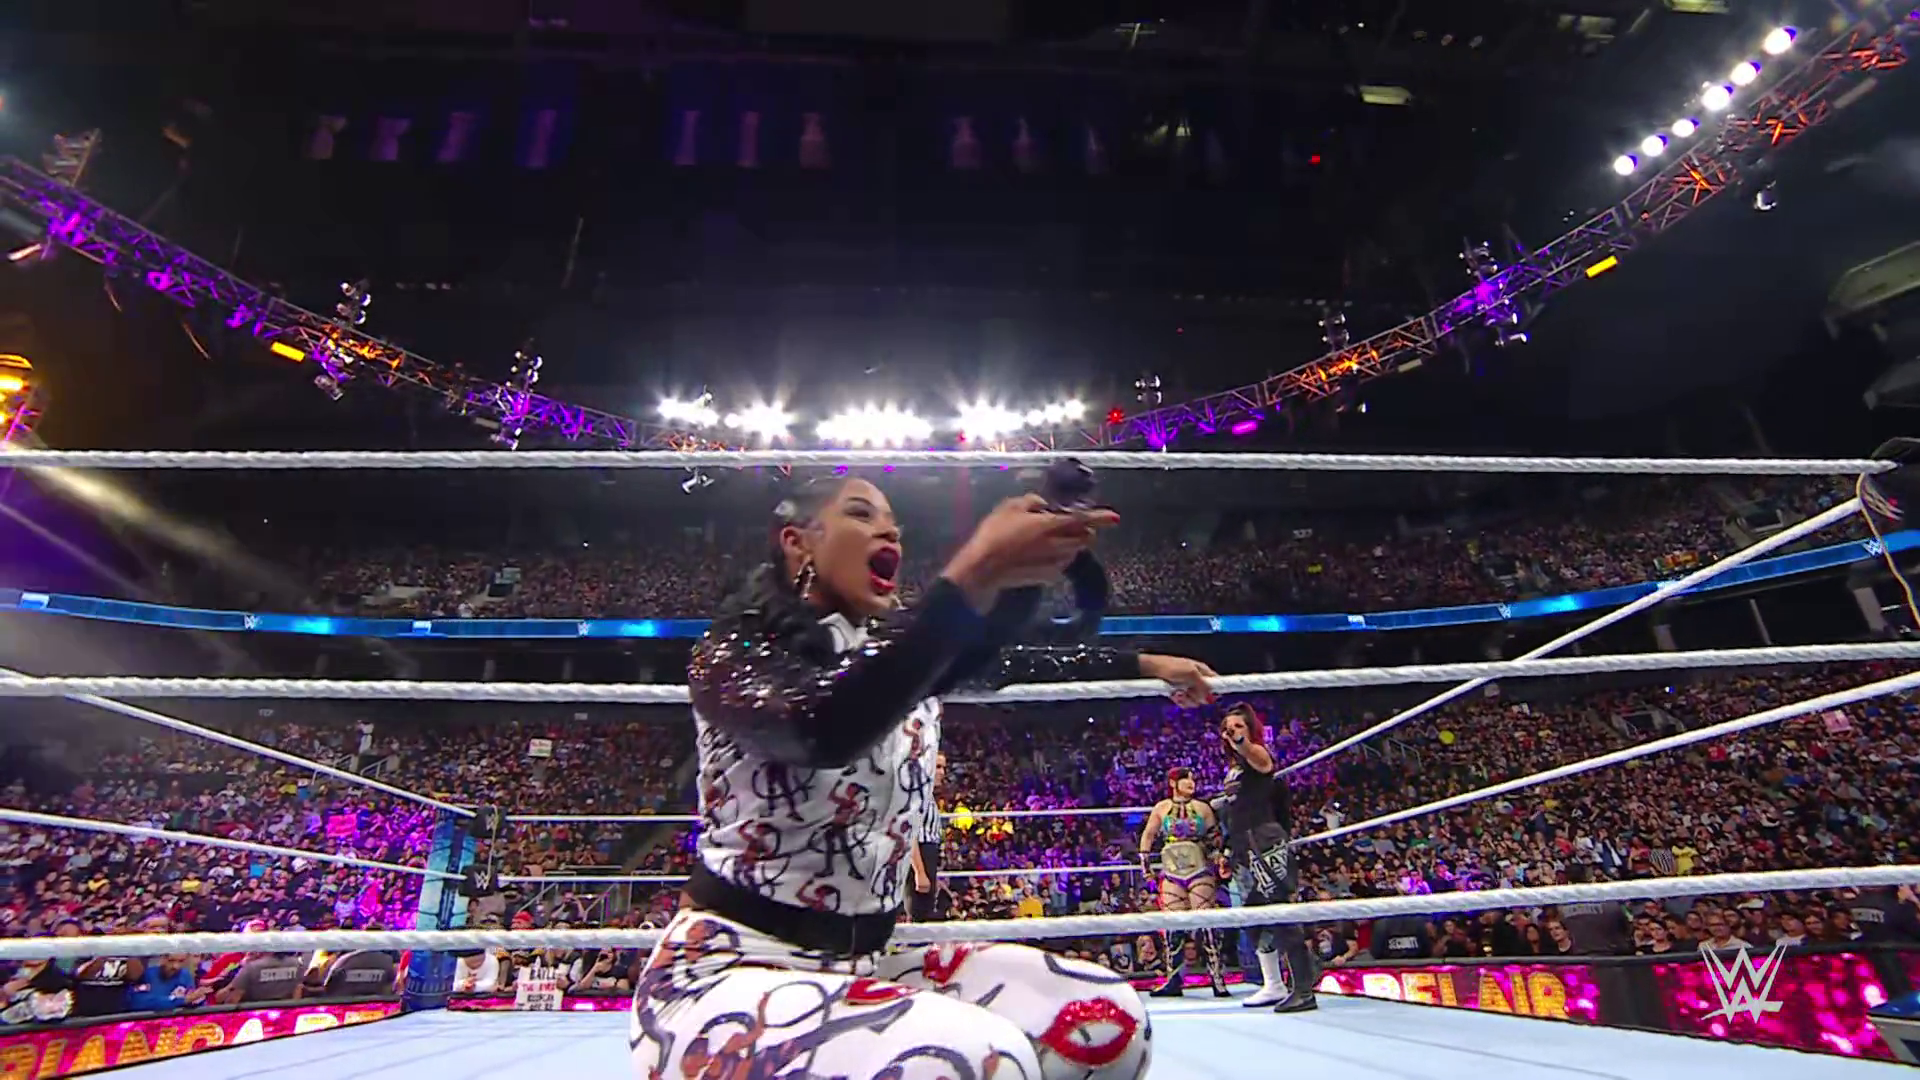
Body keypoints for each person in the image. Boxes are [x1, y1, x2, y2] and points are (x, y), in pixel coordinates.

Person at [632, 476, 1218, 1080]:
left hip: (867, 961)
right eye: (861, 514)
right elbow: (824, 726)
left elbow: (1017, 659)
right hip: (727, 972)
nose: (889, 531)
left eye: (895, 524)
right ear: (797, 541)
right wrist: (973, 573)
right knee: (978, 1060)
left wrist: (1142, 660)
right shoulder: (734, 647)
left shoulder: (898, 652)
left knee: (1105, 1023)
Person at [1220, 702, 1317, 1012]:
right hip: (1243, 844)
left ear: (1250, 729)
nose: (1233, 731)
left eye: (1239, 726)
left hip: (1264, 841)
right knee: (1253, 916)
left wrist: (1241, 741)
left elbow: (1260, 759)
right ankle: (1274, 984)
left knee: (1280, 913)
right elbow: (1235, 811)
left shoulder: (1258, 754)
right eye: (1228, 727)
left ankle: (1304, 990)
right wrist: (1227, 849)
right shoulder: (1234, 766)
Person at [1138, 767, 1228, 998]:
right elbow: (1148, 835)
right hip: (1171, 870)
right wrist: (1145, 866)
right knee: (1172, 926)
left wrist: (1219, 858)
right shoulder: (1161, 808)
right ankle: (1173, 979)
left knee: (1207, 923)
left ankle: (1217, 977)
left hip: (1199, 867)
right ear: (1173, 783)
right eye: (1186, 779)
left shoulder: (1202, 808)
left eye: (1192, 779)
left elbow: (1215, 838)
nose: (1191, 783)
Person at [907, 752, 946, 923]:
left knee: (926, 912)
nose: (942, 772)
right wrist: (920, 872)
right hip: (920, 857)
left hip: (928, 856)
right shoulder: (917, 795)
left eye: (943, 767)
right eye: (938, 767)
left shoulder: (928, 796)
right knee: (919, 914)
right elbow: (909, 834)